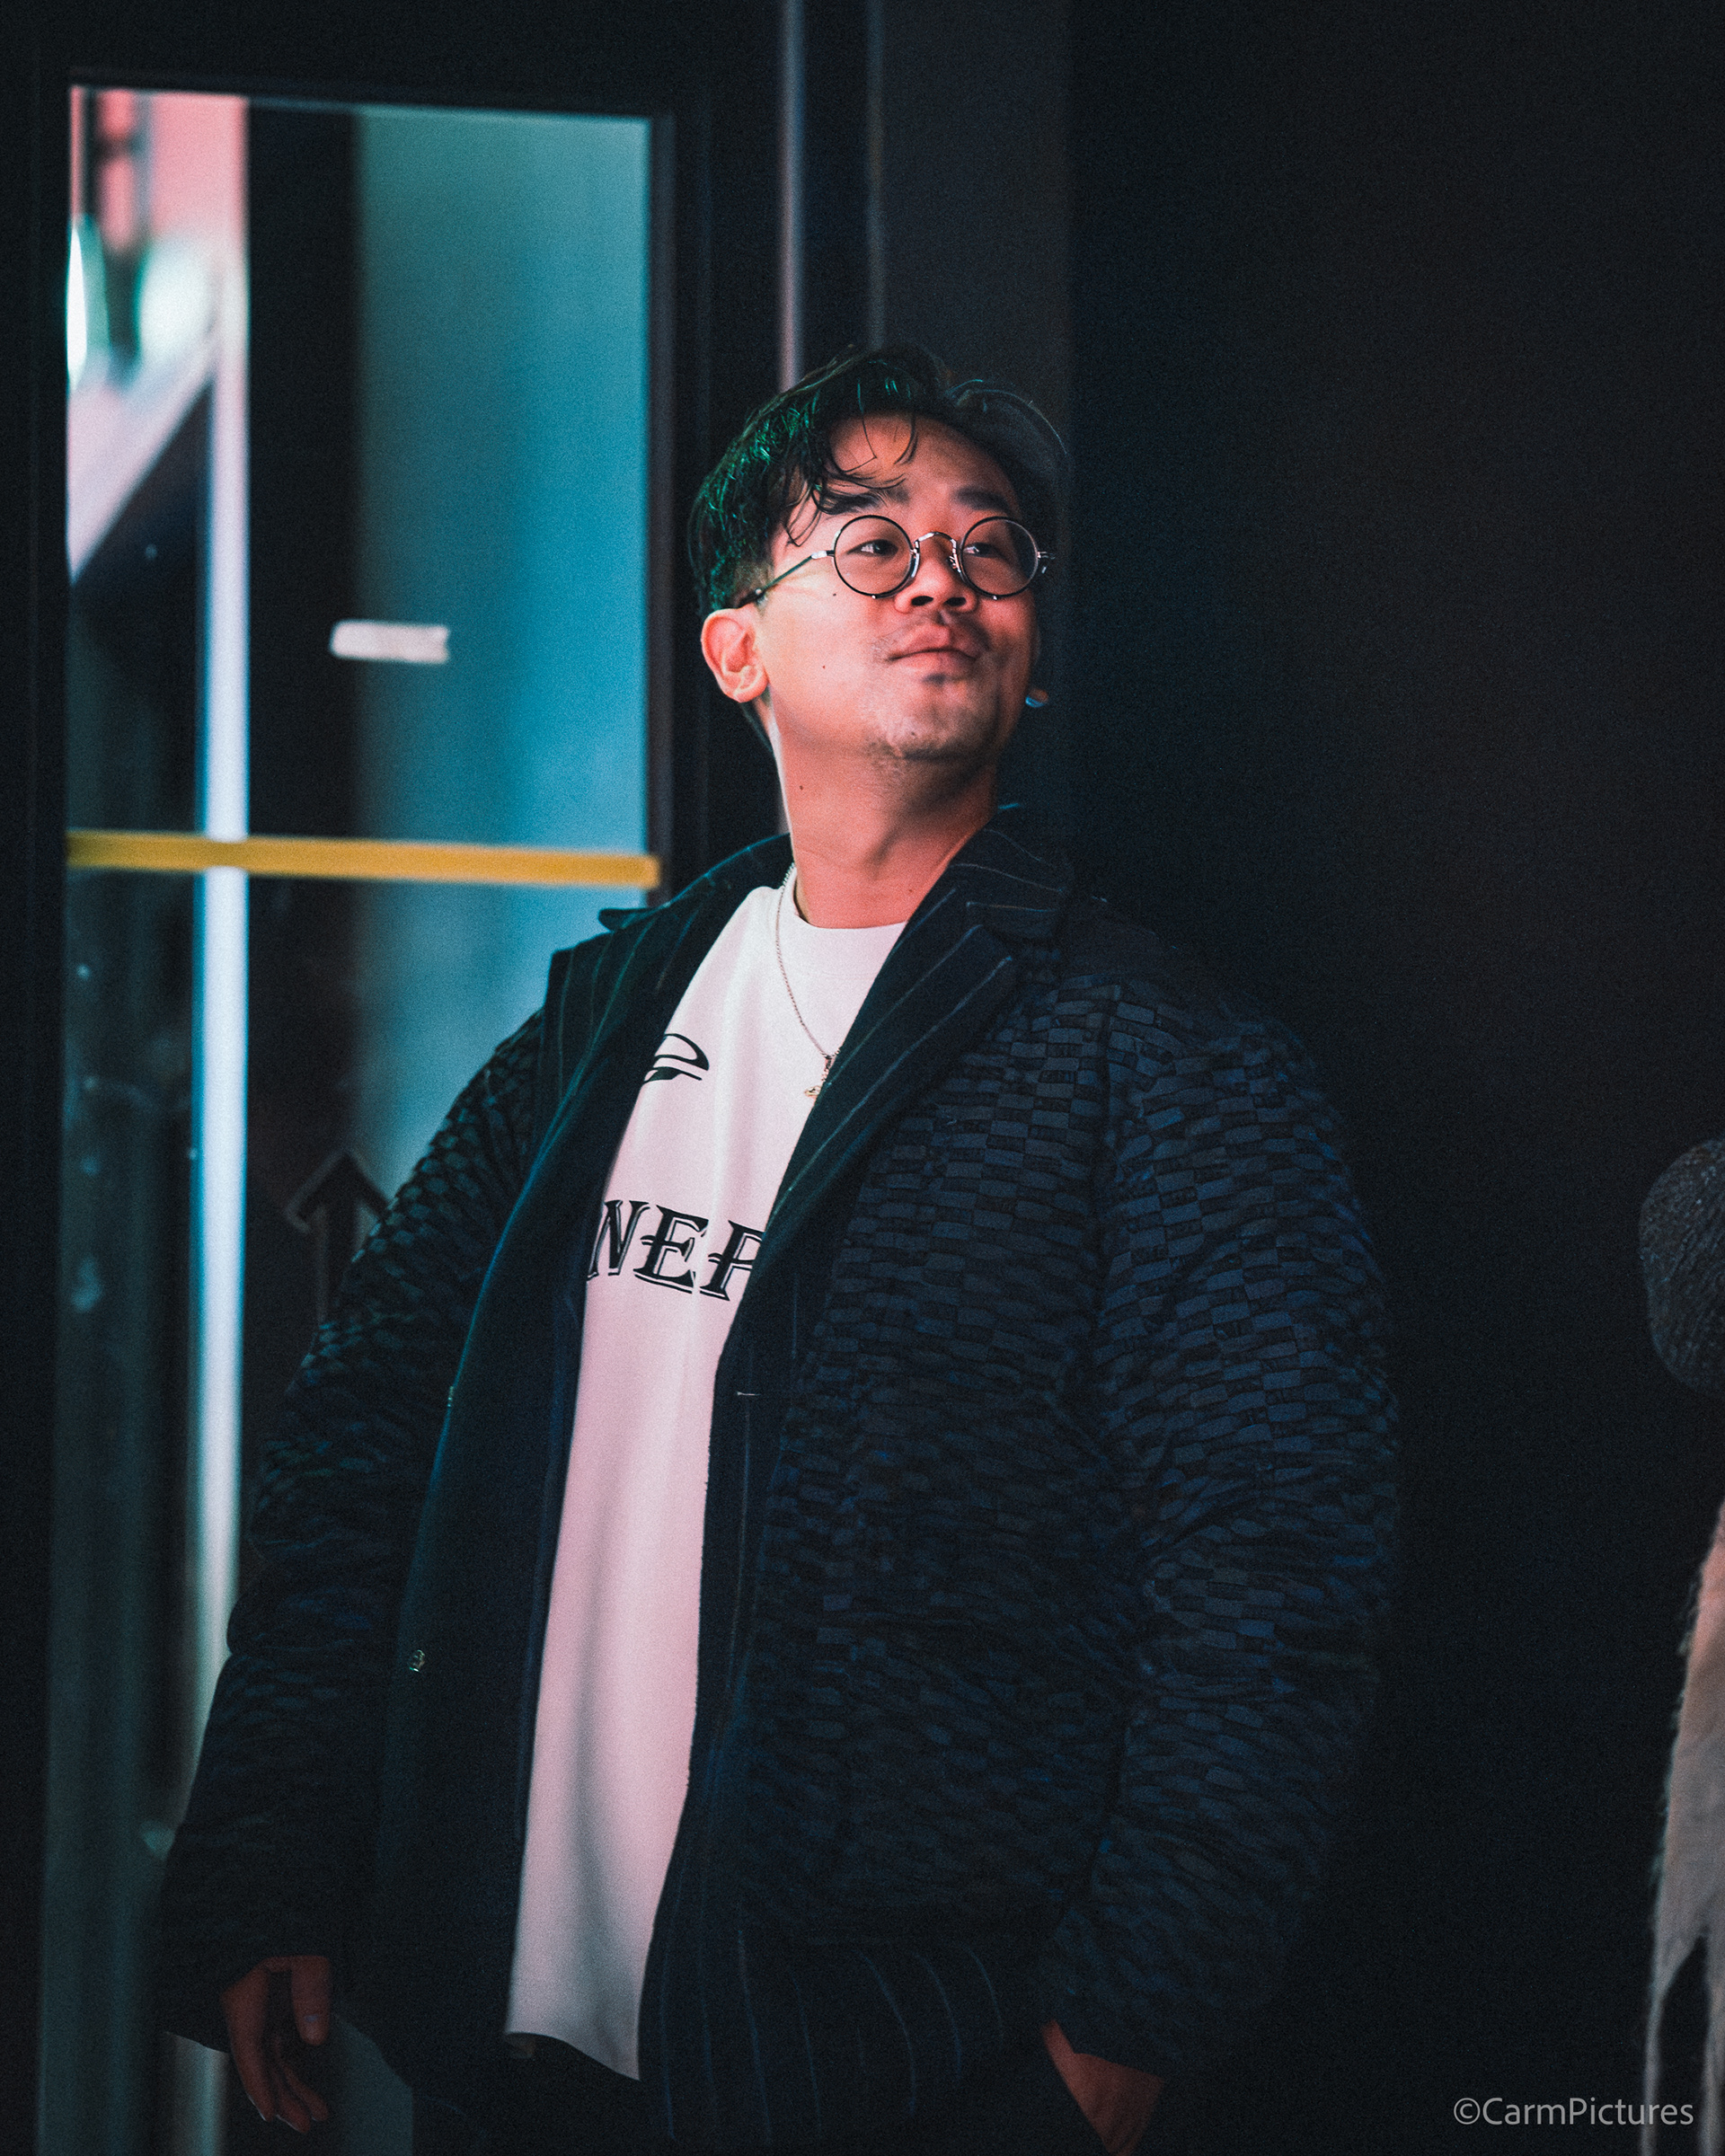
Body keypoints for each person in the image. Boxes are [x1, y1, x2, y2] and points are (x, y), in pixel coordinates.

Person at [157, 346, 1397, 2155]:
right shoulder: (603, 1017)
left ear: (1034, 647)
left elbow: (1275, 1578)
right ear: (738, 648)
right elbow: (363, 1447)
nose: (943, 583)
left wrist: (1123, 2039)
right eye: (873, 543)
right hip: (498, 2053)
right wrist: (268, 1849)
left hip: (893, 2068)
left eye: (988, 550)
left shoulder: (1163, 1057)